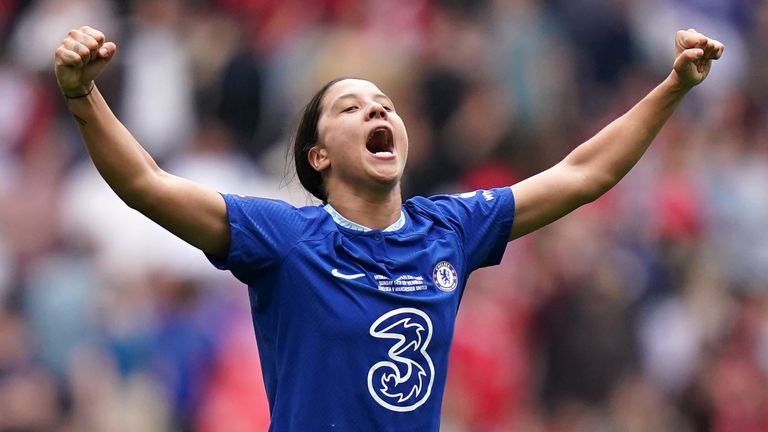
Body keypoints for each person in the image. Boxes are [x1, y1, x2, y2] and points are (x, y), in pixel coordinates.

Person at [54, 25, 724, 431]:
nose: (377, 110)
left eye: (384, 105)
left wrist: (674, 85)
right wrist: (83, 97)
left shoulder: (450, 229)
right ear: (318, 155)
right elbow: (144, 183)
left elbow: (584, 174)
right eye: (350, 107)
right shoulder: (283, 240)